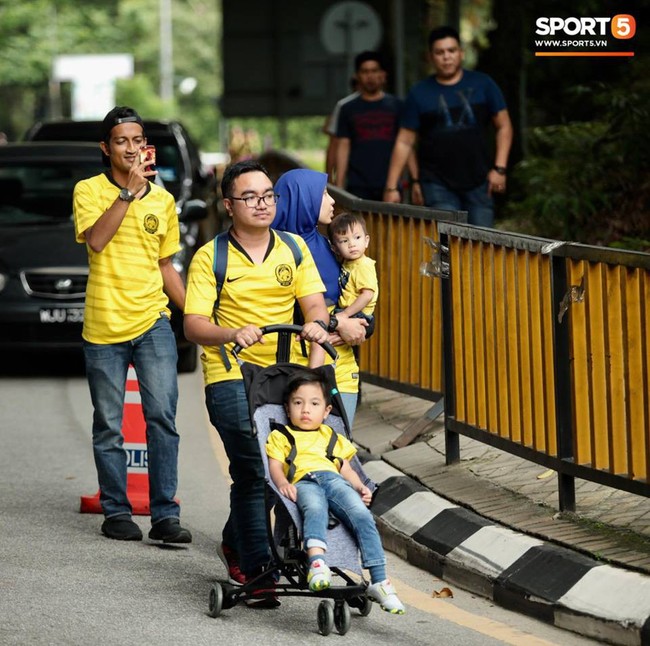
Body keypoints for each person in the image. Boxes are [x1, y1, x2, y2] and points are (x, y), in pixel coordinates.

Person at [183, 160, 330, 607]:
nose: (262, 203)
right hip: (229, 373)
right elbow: (192, 325)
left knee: (278, 468)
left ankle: (236, 541)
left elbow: (316, 312)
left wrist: (315, 371)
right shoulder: (212, 256)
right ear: (229, 205)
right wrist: (231, 333)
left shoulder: (293, 249)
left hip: (282, 376)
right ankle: (258, 568)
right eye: (250, 197)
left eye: (268, 195)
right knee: (253, 467)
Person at [72, 106, 191, 544]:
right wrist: (127, 195)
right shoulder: (88, 190)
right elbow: (98, 240)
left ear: (145, 146)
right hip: (103, 327)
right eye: (120, 141)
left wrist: (196, 317)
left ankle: (165, 515)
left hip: (152, 321)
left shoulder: (162, 200)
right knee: (109, 423)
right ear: (107, 148)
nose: (130, 147)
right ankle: (116, 510)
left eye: (136, 140)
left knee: (163, 418)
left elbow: (167, 266)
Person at [266, 369, 405, 614]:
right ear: (288, 409)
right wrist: (282, 483)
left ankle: (380, 581)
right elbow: (275, 465)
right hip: (304, 481)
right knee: (314, 509)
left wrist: (360, 485)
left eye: (314, 404)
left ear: (326, 411)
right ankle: (318, 563)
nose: (305, 410)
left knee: (362, 516)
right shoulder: (281, 435)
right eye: (298, 403)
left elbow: (346, 468)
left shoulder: (331, 436)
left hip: (334, 481)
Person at [383, 26, 513, 227]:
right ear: (430, 57)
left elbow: (504, 126)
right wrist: (392, 188)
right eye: (440, 52)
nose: (446, 57)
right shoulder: (419, 93)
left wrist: (500, 168)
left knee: (483, 247)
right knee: (448, 246)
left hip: (479, 181)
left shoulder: (483, 84)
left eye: (451, 51)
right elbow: (404, 141)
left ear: (461, 53)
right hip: (437, 183)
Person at [272, 169, 368, 426]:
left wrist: (360, 324)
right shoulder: (274, 250)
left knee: (335, 450)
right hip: (288, 369)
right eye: (323, 193)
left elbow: (358, 295)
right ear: (303, 199)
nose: (332, 200)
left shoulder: (330, 246)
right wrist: (339, 323)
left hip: (339, 366)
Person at [335, 51, 417, 201]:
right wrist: (339, 186)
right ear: (357, 76)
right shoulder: (347, 109)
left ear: (382, 74)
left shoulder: (398, 106)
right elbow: (343, 146)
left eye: (374, 71)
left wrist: (416, 181)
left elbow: (407, 144)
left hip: (390, 184)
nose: (370, 76)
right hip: (357, 185)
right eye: (365, 71)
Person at [328, 212, 378, 327]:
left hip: (360, 314)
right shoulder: (347, 262)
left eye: (357, 237)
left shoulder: (363, 266)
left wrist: (345, 314)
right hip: (349, 311)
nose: (352, 244)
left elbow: (367, 295)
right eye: (345, 241)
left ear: (366, 241)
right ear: (335, 249)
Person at [323, 78, 359, 183]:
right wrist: (330, 178)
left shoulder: (392, 105)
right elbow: (334, 145)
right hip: (352, 178)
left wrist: (330, 178)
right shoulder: (345, 107)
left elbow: (333, 145)